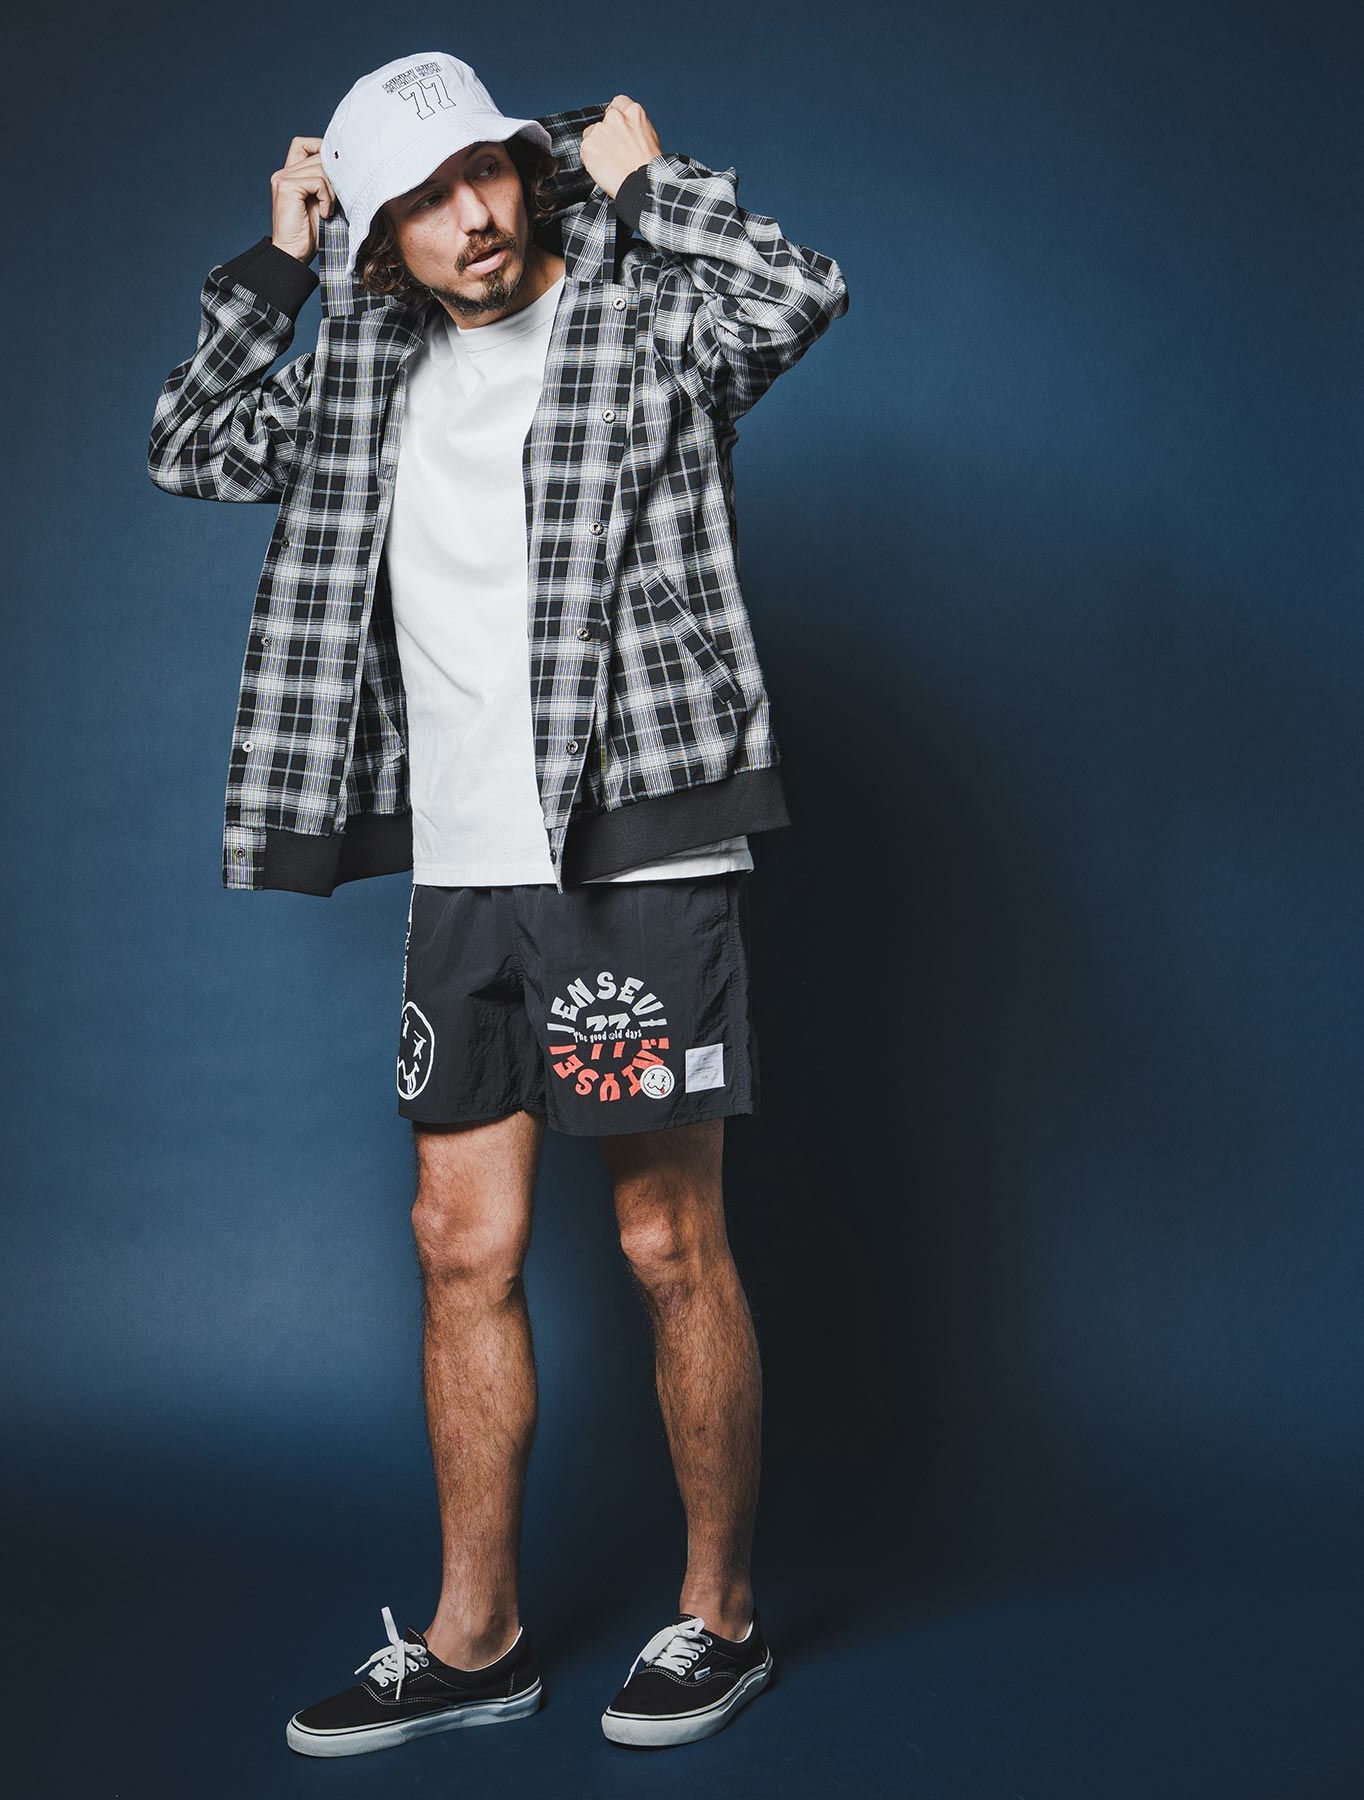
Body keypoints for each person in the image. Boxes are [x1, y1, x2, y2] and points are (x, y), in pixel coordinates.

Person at [148, 49, 848, 1756]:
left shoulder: (643, 316)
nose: (470, 216)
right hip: (467, 866)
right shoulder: (363, 369)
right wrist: (278, 263)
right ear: (378, 236)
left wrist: (649, 185)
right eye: (422, 200)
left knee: (665, 1240)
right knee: (459, 1245)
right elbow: (188, 443)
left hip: (635, 848)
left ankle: (720, 1618)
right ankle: (479, 1641)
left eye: (485, 174)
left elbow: (797, 292)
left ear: (523, 168)